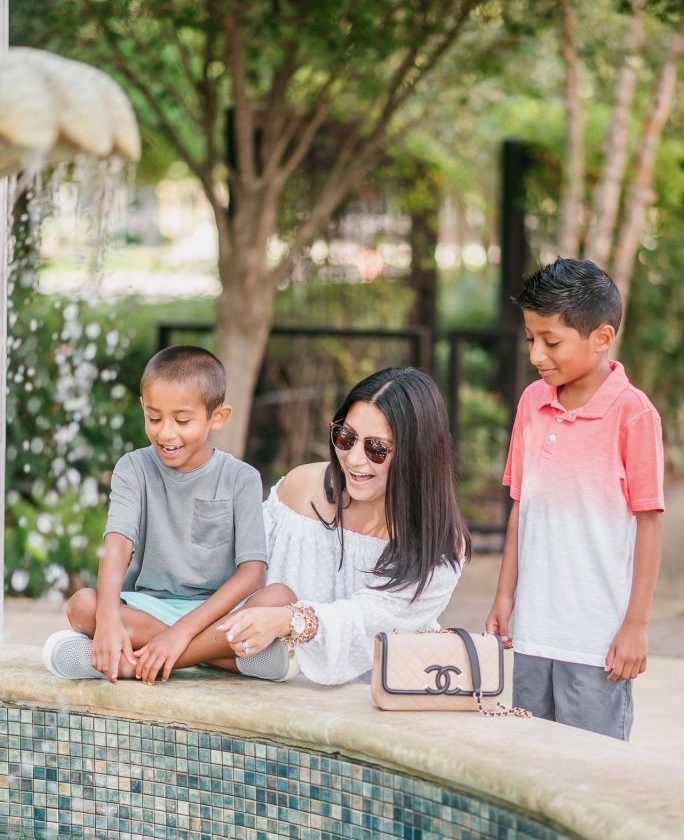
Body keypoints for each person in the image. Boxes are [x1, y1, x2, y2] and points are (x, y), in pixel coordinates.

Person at [42, 345, 296, 685]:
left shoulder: (241, 478)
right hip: (150, 607)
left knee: (281, 598)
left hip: (216, 614)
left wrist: (179, 636)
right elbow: (118, 542)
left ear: (217, 417)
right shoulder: (134, 468)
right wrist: (107, 619)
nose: (166, 433)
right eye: (154, 417)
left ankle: (138, 662)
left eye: (183, 420)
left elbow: (252, 575)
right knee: (83, 605)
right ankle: (222, 659)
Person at [485, 257, 664, 740]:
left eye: (551, 341)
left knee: (593, 773)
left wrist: (636, 625)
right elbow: (523, 507)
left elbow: (650, 523)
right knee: (528, 766)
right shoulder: (531, 402)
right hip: (532, 635)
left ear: (601, 338)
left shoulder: (633, 414)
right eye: (531, 340)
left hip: (596, 643)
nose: (537, 355)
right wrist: (505, 595)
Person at [206, 366, 470, 685]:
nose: (355, 459)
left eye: (377, 448)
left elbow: (364, 622)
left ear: (417, 454)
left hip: (375, 702)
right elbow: (233, 571)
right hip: (262, 674)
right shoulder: (301, 486)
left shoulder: (438, 543)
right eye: (346, 437)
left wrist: (289, 620)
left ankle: (159, 656)